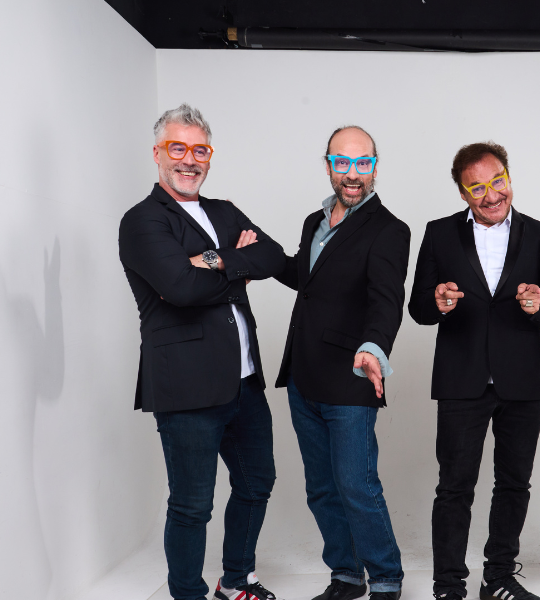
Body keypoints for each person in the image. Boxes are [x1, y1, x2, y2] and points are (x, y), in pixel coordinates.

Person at [118, 104, 284, 600]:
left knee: (257, 482)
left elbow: (272, 256)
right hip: (187, 387)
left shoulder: (223, 211)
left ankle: (235, 580)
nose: (189, 160)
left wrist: (210, 260)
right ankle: (187, 594)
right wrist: (237, 266)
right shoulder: (142, 221)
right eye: (177, 148)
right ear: (157, 153)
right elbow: (180, 289)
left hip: (244, 381)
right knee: (192, 505)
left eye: (200, 150)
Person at [408, 142, 540, 600]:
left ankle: (498, 579)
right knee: (454, 487)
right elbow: (418, 307)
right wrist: (437, 302)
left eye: (498, 181)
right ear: (462, 193)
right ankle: (448, 586)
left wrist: (538, 306)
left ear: (509, 178)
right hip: (461, 379)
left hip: (522, 380)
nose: (491, 195)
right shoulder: (439, 233)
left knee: (514, 484)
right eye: (476, 188)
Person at [273, 126, 410, 600]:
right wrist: (252, 255)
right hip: (303, 375)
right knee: (321, 488)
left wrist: (373, 348)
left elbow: (387, 301)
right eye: (343, 162)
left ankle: (386, 580)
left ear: (375, 166)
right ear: (329, 165)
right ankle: (347, 576)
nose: (353, 174)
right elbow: (307, 277)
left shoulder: (390, 229)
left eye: (363, 163)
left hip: (351, 377)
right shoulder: (314, 220)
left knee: (356, 485)